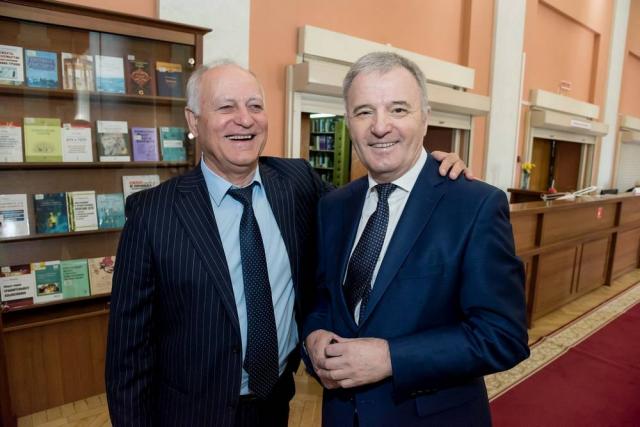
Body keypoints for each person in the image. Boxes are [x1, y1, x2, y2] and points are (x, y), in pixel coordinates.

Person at [105, 60, 470, 427]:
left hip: (276, 403)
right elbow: (127, 356)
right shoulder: (152, 214)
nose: (244, 119)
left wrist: (425, 170)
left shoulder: (297, 184)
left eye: (255, 105)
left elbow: (371, 210)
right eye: (226, 107)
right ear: (193, 121)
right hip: (191, 414)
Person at [303, 52, 530, 427]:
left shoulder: (474, 205)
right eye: (364, 112)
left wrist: (391, 358)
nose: (380, 126)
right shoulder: (334, 206)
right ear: (348, 122)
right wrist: (314, 336)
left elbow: (503, 335)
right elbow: (324, 300)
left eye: (398, 109)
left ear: (425, 118)